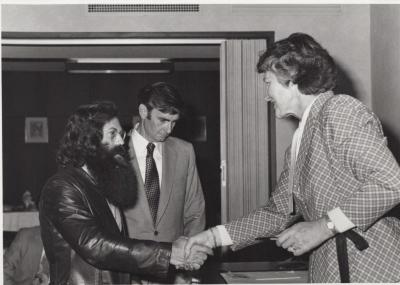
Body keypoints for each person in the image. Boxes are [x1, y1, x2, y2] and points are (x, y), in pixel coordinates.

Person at [185, 33, 400, 283]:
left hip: (373, 267)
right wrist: (213, 237)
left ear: (292, 78)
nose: (267, 95)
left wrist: (323, 227)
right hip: (330, 269)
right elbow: (277, 213)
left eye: (268, 82)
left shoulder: (339, 110)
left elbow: (390, 183)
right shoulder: (300, 139)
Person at [39, 101, 211, 285]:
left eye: (121, 134)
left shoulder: (104, 183)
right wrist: (169, 254)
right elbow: (96, 245)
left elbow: (117, 250)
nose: (122, 141)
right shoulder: (62, 187)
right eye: (112, 134)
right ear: (88, 142)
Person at [124, 82, 206, 282]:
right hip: (127, 270)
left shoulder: (184, 151)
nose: (168, 129)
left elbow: (195, 210)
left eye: (173, 122)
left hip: (172, 272)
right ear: (144, 111)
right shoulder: (115, 152)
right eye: (162, 120)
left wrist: (190, 255)